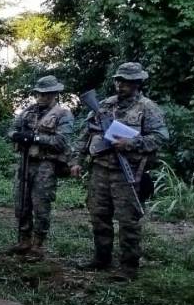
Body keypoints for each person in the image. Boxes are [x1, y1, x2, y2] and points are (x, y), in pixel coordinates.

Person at [70, 62, 168, 280]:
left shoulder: (147, 108)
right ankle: (101, 258)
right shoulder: (104, 105)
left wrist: (131, 143)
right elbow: (85, 134)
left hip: (128, 172)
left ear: (137, 83)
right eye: (119, 80)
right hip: (100, 169)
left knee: (127, 220)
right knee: (98, 215)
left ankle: (128, 267)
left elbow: (160, 137)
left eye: (126, 81)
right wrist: (75, 160)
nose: (121, 85)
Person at [7, 75, 74, 257]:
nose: (42, 97)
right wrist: (17, 136)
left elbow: (62, 141)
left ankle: (38, 244)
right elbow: (12, 129)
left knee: (41, 204)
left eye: (46, 94)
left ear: (54, 94)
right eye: (39, 94)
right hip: (25, 161)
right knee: (21, 202)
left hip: (46, 165)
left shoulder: (63, 114)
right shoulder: (28, 111)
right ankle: (23, 240)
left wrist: (35, 138)